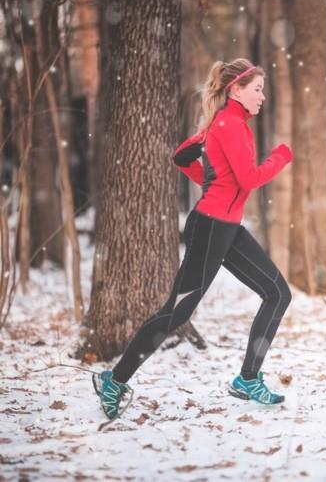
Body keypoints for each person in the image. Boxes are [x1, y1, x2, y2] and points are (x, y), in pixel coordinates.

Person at [97, 58, 294, 419]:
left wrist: (210, 179)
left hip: (228, 228)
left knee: (278, 293)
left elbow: (182, 155)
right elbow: (249, 179)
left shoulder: (226, 124)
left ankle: (247, 380)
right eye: (258, 89)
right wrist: (280, 157)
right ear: (236, 89)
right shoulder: (230, 124)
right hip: (210, 229)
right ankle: (114, 379)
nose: (262, 97)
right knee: (176, 312)